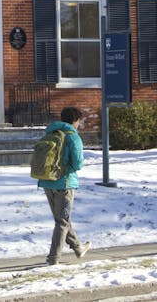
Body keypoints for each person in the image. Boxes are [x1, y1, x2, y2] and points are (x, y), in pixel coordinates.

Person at [38, 107, 91, 266]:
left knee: (62, 219)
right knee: (62, 222)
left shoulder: (51, 133)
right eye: (79, 121)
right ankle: (53, 259)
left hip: (47, 181)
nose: (79, 124)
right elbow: (77, 164)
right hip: (65, 183)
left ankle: (78, 247)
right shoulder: (73, 137)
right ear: (75, 120)